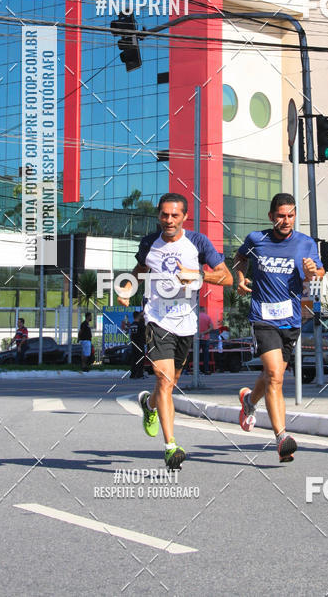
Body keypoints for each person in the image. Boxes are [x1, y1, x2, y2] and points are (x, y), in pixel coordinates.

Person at [118, 192, 232, 470]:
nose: (168, 220)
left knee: (170, 381)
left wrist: (198, 275)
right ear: (159, 216)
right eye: (164, 215)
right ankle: (171, 447)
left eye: (174, 215)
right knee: (164, 377)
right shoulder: (149, 243)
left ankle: (149, 405)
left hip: (186, 322)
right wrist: (127, 288)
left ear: (184, 217)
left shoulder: (198, 243)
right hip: (156, 318)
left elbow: (227, 277)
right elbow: (139, 269)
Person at [234, 193, 324, 463]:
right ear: (271, 216)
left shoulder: (306, 244)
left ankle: (250, 401)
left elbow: (318, 274)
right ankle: (282, 438)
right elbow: (240, 259)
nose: (286, 221)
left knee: (273, 375)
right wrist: (240, 278)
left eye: (291, 216)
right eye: (281, 216)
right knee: (275, 375)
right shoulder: (256, 240)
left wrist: (312, 272)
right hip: (262, 316)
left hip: (291, 319)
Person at [129, 311, 147, 379]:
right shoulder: (140, 325)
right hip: (139, 343)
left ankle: (133, 374)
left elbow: (131, 335)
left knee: (134, 359)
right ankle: (140, 374)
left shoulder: (132, 324)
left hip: (134, 344)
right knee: (140, 359)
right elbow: (144, 333)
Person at [198, 309, 212, 374]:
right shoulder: (207, 317)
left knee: (196, 355)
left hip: (197, 339)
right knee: (206, 355)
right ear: (204, 310)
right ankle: (206, 370)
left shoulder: (196, 317)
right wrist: (204, 332)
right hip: (206, 339)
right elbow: (211, 327)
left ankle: (196, 369)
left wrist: (199, 333)